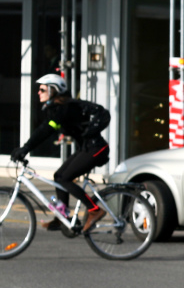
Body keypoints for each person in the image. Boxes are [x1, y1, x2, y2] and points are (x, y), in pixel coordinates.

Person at [8, 74, 111, 232]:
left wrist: (26, 148)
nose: (38, 92)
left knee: (65, 178)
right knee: (58, 177)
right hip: (85, 148)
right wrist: (25, 148)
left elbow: (46, 130)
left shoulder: (65, 108)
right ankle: (63, 216)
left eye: (42, 89)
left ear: (53, 90)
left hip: (96, 148)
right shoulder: (57, 108)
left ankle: (95, 210)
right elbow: (46, 128)